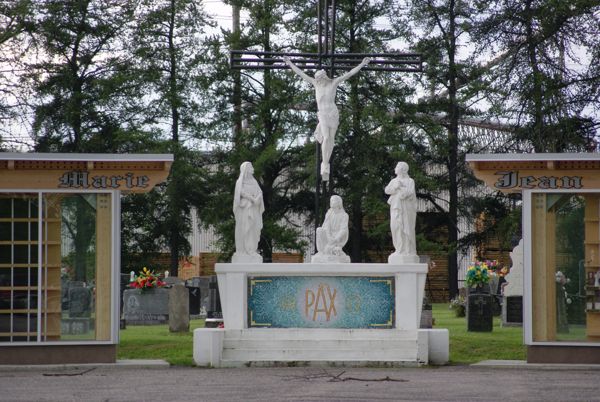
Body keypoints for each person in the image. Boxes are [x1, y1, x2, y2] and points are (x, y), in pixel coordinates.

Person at [283, 56, 371, 181]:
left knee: (332, 140)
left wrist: (362, 64)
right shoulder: (315, 84)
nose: (318, 80)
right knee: (327, 137)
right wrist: (289, 62)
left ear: (324, 77)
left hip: (333, 113)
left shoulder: (333, 83)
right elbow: (301, 74)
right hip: (323, 114)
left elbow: (350, 73)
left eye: (320, 78)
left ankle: (326, 163)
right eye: (317, 78)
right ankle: (324, 164)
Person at [232, 161, 264, 262]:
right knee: (245, 228)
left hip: (253, 208)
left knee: (253, 229)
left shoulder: (254, 182)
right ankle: (244, 250)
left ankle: (252, 249)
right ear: (246, 169)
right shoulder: (240, 182)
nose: (252, 168)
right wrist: (251, 198)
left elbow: (260, 192)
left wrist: (257, 198)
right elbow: (239, 193)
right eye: (250, 167)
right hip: (245, 208)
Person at [385, 161, 417, 258]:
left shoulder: (410, 181)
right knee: (396, 227)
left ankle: (408, 250)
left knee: (406, 228)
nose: (395, 168)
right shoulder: (394, 181)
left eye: (397, 167)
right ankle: (399, 249)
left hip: (407, 209)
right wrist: (396, 187)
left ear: (402, 170)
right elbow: (387, 190)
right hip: (396, 207)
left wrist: (402, 189)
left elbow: (410, 193)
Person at [313, 195, 350, 263]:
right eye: (331, 201)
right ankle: (322, 251)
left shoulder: (344, 215)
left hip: (338, 237)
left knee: (330, 249)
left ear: (339, 202)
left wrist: (335, 239)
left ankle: (334, 249)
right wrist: (329, 237)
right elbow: (326, 226)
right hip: (329, 235)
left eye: (333, 200)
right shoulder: (329, 213)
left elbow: (343, 230)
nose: (331, 202)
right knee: (319, 230)